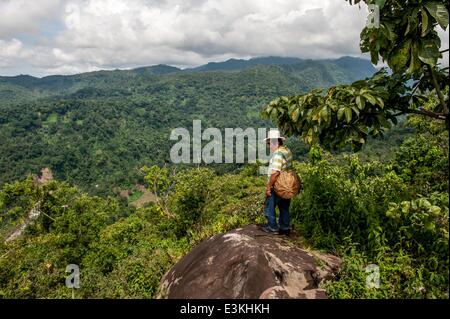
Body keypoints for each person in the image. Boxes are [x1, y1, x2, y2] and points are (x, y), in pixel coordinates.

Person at [261, 129, 293, 235]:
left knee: (269, 206)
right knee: (284, 206)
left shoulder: (278, 155)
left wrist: (268, 187)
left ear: (275, 142)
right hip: (287, 185)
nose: (268, 145)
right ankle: (285, 227)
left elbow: (275, 173)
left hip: (277, 185)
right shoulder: (286, 151)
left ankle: (272, 227)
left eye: (269, 143)